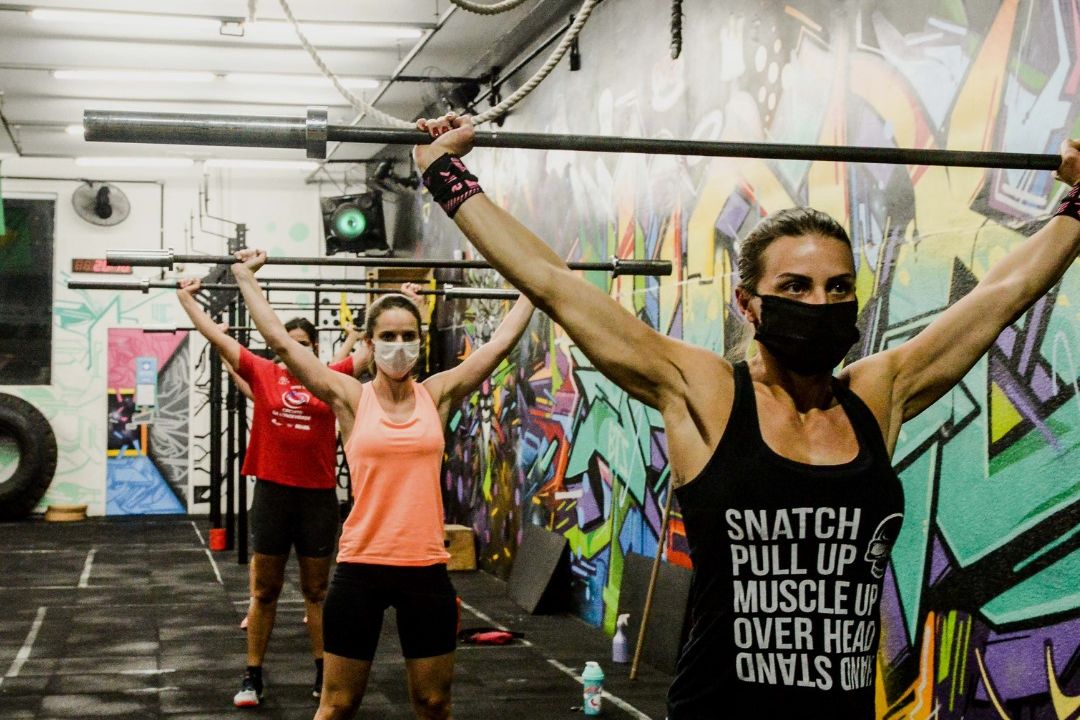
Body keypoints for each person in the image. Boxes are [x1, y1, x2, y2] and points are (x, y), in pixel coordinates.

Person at [411, 113, 1080, 718]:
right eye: (794, 287)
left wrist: (1078, 202)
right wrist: (444, 173)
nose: (819, 304)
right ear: (747, 303)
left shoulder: (878, 395)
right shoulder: (707, 394)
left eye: (838, 288)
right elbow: (553, 283)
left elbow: (1006, 292)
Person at [229, 248, 535, 720]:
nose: (399, 345)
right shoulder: (349, 397)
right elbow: (283, 344)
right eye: (388, 336)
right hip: (362, 566)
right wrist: (245, 277)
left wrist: (534, 287)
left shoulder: (437, 394)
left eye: (408, 335)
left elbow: (498, 345)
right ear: (370, 343)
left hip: (425, 567)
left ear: (420, 342)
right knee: (338, 705)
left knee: (434, 703)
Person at [177, 279, 383, 708]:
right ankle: (252, 675)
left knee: (317, 592)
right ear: (279, 348)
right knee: (264, 591)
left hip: (317, 499)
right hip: (273, 495)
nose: (296, 350)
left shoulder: (331, 378)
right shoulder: (264, 374)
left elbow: (371, 347)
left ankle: (324, 671)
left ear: (315, 348)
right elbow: (216, 337)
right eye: (290, 344)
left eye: (304, 344)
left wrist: (395, 301)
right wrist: (185, 298)